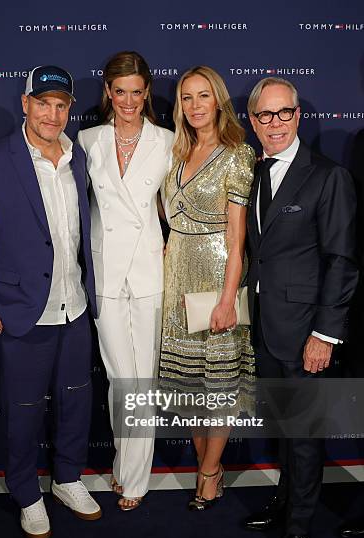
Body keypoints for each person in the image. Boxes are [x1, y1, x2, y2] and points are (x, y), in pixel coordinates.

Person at [0, 65, 101, 538]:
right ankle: (26, 493)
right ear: (25, 104)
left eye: (61, 105)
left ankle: (66, 478)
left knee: (76, 403)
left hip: (74, 307)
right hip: (21, 313)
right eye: (43, 103)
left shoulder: (77, 156)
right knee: (21, 409)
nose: (53, 114)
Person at [244, 77, 358, 538]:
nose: (274, 124)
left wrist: (325, 335)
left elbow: (341, 260)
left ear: (298, 116)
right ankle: (286, 502)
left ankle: (298, 531)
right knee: (286, 430)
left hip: (307, 331)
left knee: (306, 435)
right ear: (252, 120)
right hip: (268, 327)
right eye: (264, 115)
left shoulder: (327, 177)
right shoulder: (251, 172)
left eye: (283, 113)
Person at [77, 51, 173, 511]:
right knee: (120, 378)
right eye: (120, 92)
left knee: (144, 379)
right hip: (106, 271)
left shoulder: (168, 141)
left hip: (151, 272)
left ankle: (133, 478)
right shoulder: (87, 139)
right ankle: (123, 465)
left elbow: (175, 205)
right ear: (108, 93)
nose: (128, 100)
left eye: (137, 92)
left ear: (147, 92)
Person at [158, 66, 255, 511]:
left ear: (218, 100)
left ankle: (211, 471)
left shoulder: (237, 153)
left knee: (218, 388)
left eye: (203, 96)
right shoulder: (177, 152)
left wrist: (227, 299)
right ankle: (204, 463)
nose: (195, 106)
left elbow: (237, 240)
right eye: (187, 98)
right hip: (175, 280)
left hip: (216, 278)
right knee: (190, 387)